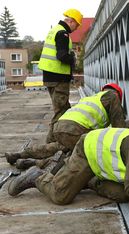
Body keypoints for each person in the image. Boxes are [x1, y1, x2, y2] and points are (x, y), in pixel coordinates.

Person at [8, 128, 129, 208]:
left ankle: (90, 181)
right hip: (89, 152)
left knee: (122, 195)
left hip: (103, 165)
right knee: (61, 196)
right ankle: (36, 176)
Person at [5, 83, 129, 169]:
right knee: (76, 158)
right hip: (75, 129)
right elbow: (118, 129)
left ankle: (19, 155)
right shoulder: (113, 97)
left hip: (60, 126)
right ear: (118, 95)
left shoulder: (91, 99)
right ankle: (36, 165)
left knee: (53, 147)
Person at [38, 9, 83, 143]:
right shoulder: (62, 33)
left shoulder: (54, 30)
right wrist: (73, 58)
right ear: (71, 21)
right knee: (60, 112)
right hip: (58, 79)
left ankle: (63, 140)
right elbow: (62, 55)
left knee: (65, 110)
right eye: (77, 25)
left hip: (50, 77)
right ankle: (49, 144)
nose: (76, 28)